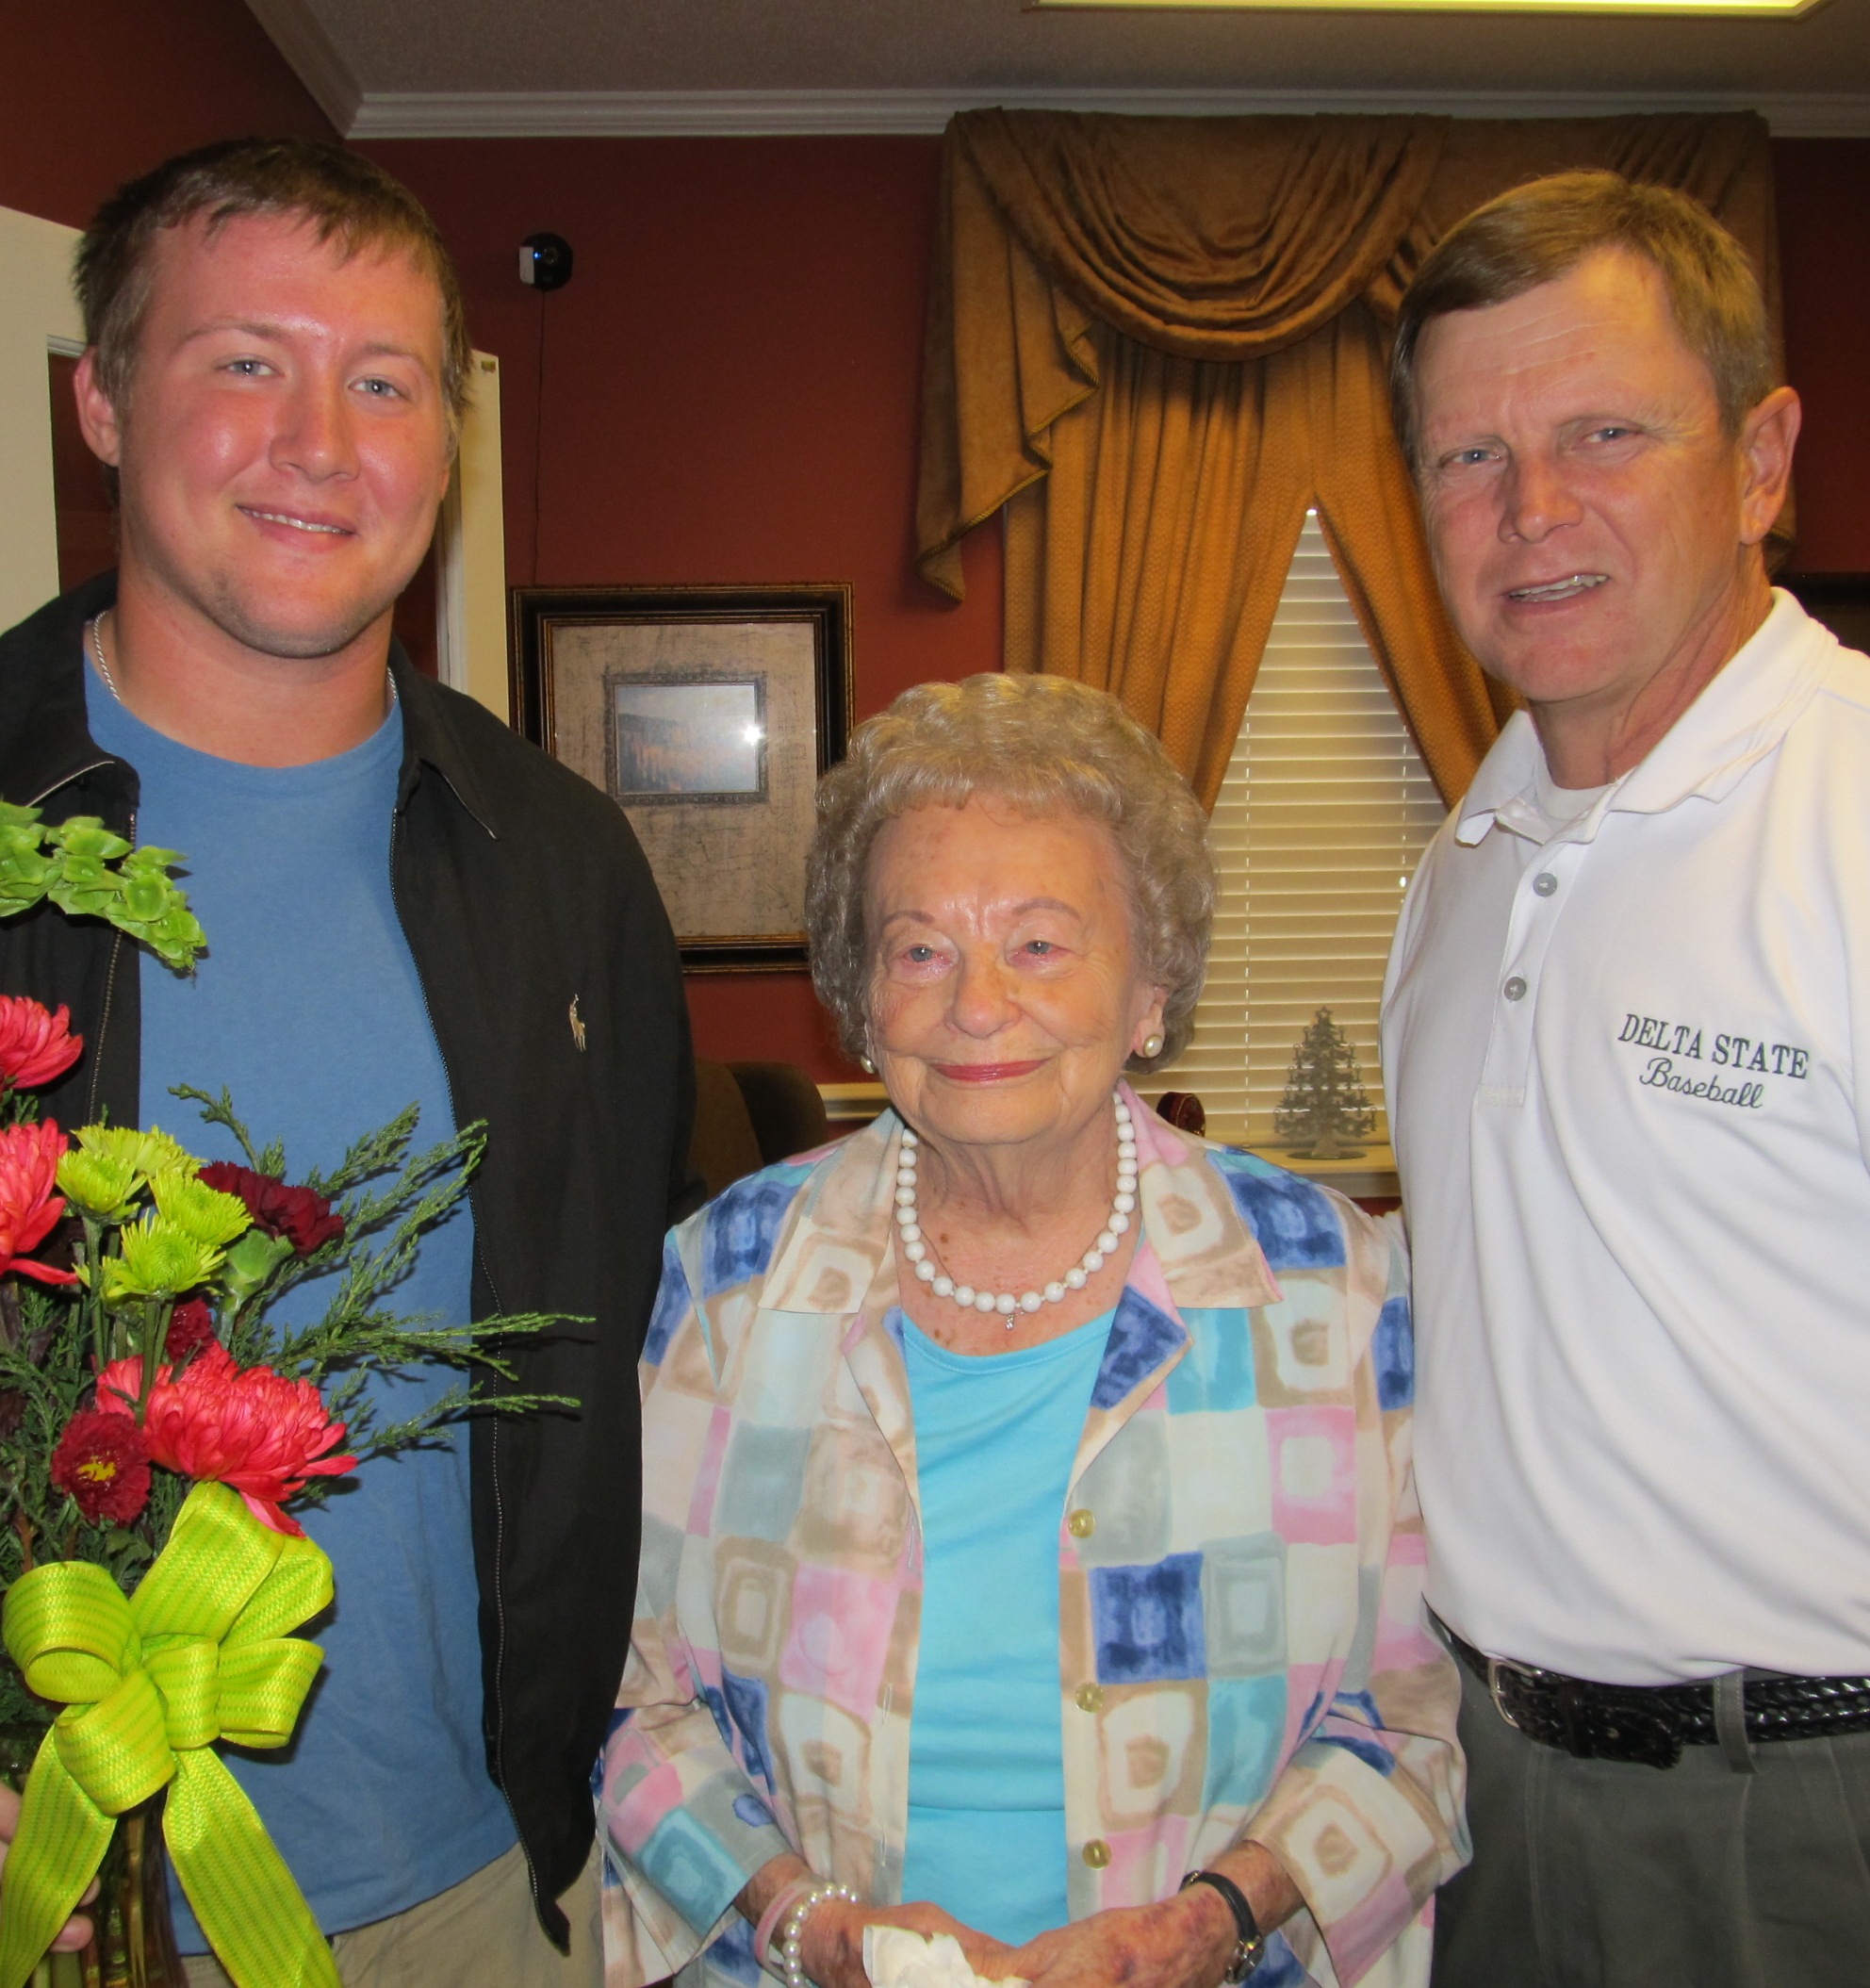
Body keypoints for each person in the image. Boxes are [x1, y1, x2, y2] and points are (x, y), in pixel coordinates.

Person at [0, 139, 697, 1982]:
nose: (322, 439)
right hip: (53, 1890)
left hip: (484, 1887)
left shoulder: (557, 865)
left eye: (382, 380)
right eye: (245, 360)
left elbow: (626, 1333)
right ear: (99, 399)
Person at [598, 673, 1464, 1988]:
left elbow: (1410, 1726)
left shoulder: (1329, 1286)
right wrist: (812, 1926)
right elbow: (629, 1700)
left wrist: (1206, 1927)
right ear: (862, 993)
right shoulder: (727, 1279)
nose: (979, 1002)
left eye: (1042, 942)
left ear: (1151, 984)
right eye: (921, 946)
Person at [1380, 169, 1870, 1987]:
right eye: (1468, 457)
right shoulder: (1463, 855)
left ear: (1763, 456)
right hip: (1491, 1802)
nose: (1531, 510)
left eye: (1603, 432)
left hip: (1841, 1825)